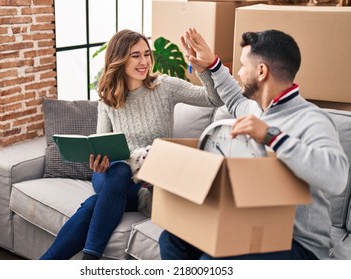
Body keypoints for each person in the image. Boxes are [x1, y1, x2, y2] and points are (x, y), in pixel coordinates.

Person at [159, 28, 349, 260]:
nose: (238, 72)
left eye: (242, 65)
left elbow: (337, 178)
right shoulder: (256, 109)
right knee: (171, 238)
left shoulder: (312, 119)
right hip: (253, 226)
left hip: (299, 243)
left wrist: (271, 136)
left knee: (211, 263)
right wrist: (213, 65)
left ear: (261, 71)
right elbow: (234, 98)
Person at [39, 29, 224, 260]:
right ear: (120, 58)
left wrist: (201, 69)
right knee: (119, 169)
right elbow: (100, 144)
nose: (144, 61)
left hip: (145, 182)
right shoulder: (108, 98)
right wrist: (98, 163)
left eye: (146, 54)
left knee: (94, 204)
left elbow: (214, 99)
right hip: (109, 173)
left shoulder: (164, 87)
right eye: (135, 55)